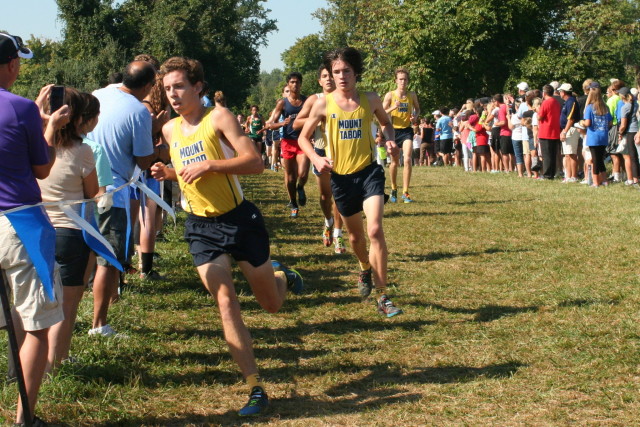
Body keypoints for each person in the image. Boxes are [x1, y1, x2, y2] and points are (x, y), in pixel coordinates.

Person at [151, 56, 303, 416]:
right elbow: (189, 173)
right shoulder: (170, 130)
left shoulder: (218, 117)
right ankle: (255, 389)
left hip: (239, 220)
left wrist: (212, 164)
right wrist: (169, 173)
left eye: (179, 86)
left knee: (271, 304)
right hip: (201, 227)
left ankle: (282, 276)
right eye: (167, 88)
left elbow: (254, 162)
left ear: (198, 87)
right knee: (224, 300)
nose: (173, 94)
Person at [298, 47, 403, 317]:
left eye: (346, 71)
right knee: (356, 237)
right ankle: (364, 269)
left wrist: (390, 139)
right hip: (341, 179)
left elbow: (386, 123)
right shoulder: (323, 104)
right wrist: (315, 158)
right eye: (336, 72)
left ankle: (383, 296)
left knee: (375, 230)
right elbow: (302, 138)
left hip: (369, 172)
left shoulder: (371, 99)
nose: (341, 76)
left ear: (356, 72)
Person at [0, 32, 69, 426]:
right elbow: (42, 169)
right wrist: (49, 124)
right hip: (20, 223)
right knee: (38, 326)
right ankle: (24, 417)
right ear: (12, 64)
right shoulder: (22, 108)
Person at [87, 60, 159, 336]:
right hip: (113, 193)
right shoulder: (138, 111)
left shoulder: (97, 94)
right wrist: (159, 148)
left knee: (87, 258)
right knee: (109, 259)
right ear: (147, 85)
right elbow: (143, 160)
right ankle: (99, 323)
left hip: (84, 190)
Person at [38, 88, 100, 372]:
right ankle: (56, 360)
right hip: (70, 232)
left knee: (39, 301)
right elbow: (92, 192)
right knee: (68, 303)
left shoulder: (38, 146)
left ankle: (33, 362)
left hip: (36, 230)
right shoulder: (83, 151)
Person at [293, 64, 346, 253]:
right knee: (325, 196)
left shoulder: (344, 96)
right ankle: (328, 222)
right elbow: (297, 123)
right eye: (325, 76)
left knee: (339, 196)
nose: (329, 79)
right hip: (321, 151)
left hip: (341, 151)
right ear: (320, 81)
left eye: (331, 75)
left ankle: (339, 236)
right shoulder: (316, 99)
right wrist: (316, 118)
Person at [267, 72, 309, 218]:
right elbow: (270, 124)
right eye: (292, 82)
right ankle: (293, 203)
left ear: (300, 84)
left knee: (303, 174)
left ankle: (301, 187)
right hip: (288, 142)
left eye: (297, 82)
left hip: (303, 141)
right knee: (290, 177)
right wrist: (281, 123)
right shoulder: (283, 103)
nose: (295, 84)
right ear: (288, 84)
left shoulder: (307, 101)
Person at [383, 68, 420, 202]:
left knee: (408, 159)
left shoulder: (412, 95)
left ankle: (406, 192)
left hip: (406, 130)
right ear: (396, 81)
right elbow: (381, 111)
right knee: (394, 162)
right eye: (400, 79)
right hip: (393, 131)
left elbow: (417, 109)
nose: (403, 82)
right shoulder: (390, 95)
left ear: (408, 81)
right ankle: (393, 188)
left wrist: (414, 117)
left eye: (405, 79)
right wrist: (394, 107)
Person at [580, 82, 612, 187]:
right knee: (600, 159)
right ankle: (604, 180)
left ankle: (596, 182)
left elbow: (588, 123)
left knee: (594, 160)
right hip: (603, 135)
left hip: (593, 136)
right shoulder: (605, 107)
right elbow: (610, 123)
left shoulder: (590, 107)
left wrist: (582, 122)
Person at [537, 84, 562, 179]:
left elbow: (540, 116)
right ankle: (552, 173)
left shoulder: (546, 102)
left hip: (546, 132)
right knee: (553, 154)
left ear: (544, 93)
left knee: (546, 155)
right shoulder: (556, 102)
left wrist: (537, 112)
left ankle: (547, 174)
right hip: (555, 131)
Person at [558, 83, 581, 183]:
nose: (559, 93)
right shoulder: (567, 102)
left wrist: (564, 131)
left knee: (571, 154)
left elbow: (571, 119)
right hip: (566, 129)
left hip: (571, 129)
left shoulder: (571, 102)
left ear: (563, 92)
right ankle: (568, 175)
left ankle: (573, 176)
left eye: (560, 91)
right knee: (567, 154)